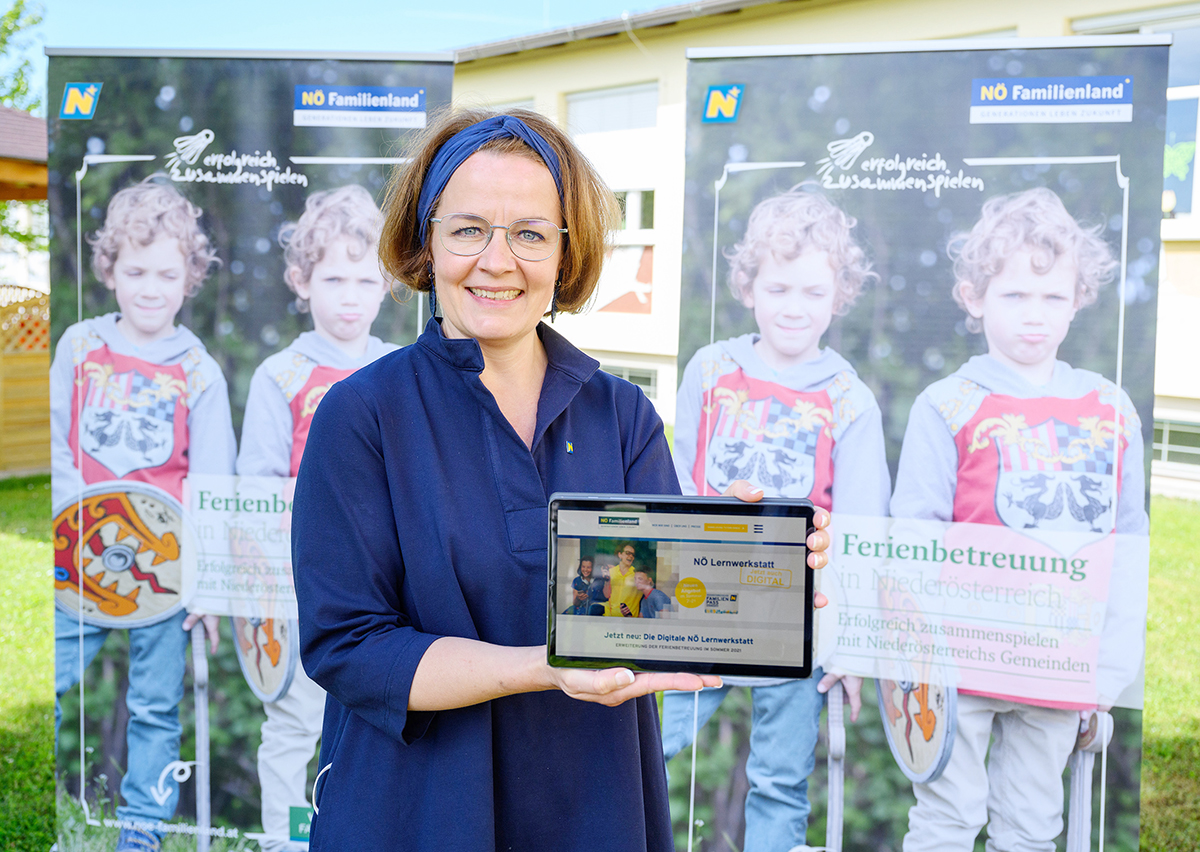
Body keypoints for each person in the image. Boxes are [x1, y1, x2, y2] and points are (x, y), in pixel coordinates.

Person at [289, 107, 833, 851]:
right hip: (415, 816)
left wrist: (741, 558)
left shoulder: (624, 414)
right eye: (468, 229)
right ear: (426, 239)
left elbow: (652, 614)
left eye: (530, 234)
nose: (497, 260)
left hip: (594, 809)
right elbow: (350, 648)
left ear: (564, 252)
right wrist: (546, 668)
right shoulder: (361, 415)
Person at [891, 187, 1149, 852]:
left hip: (1058, 665)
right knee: (947, 822)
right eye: (1014, 295)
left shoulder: (1111, 409)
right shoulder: (946, 404)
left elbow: (1128, 547)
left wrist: (1108, 674)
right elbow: (913, 538)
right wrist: (914, 664)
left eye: (1052, 296)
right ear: (974, 297)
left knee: (1031, 829)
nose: (1034, 314)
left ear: (1078, 298)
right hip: (957, 665)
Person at [664, 187, 890, 852]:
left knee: (781, 782)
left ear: (839, 295)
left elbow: (864, 533)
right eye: (779, 287)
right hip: (696, 607)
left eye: (814, 292)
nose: (795, 306)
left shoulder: (850, 399)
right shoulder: (710, 370)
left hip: (800, 622)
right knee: (647, 748)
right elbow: (675, 485)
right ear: (748, 286)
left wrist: (852, 645)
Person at [49, 175, 235, 852]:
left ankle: (142, 838)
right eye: (135, 271)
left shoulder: (199, 370)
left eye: (166, 273)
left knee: (156, 709)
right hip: (79, 563)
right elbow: (56, 446)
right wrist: (70, 524)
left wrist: (208, 586)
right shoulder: (79, 347)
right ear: (109, 269)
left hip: (165, 573)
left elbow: (213, 483)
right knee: (48, 685)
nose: (150, 287)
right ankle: (34, 804)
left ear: (190, 278)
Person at [235, 185, 394, 852]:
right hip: (299, 592)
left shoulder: (400, 372)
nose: (350, 296)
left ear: (387, 285)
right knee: (295, 723)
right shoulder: (280, 375)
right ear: (302, 281)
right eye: (333, 279)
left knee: (376, 725)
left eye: (365, 280)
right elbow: (256, 491)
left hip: (385, 596)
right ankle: (283, 842)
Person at [605, 542, 642, 617]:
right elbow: (606, 595)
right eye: (628, 553)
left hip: (629, 618)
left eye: (633, 554)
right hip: (611, 616)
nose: (630, 556)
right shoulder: (611, 572)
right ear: (620, 555)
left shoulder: (637, 574)